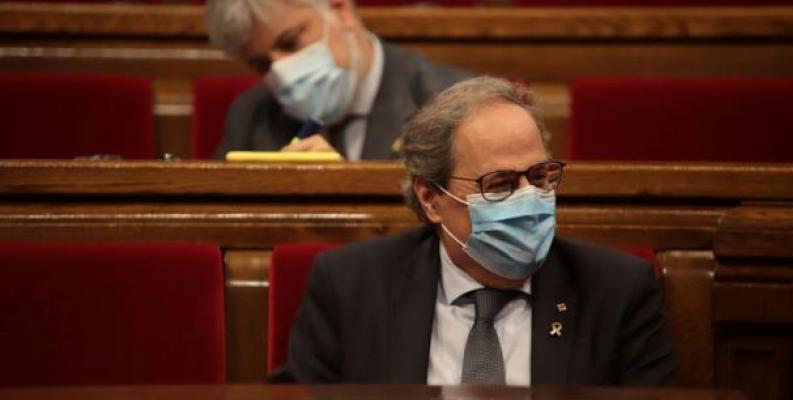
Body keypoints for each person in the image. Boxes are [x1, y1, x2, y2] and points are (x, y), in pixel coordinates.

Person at [284, 76, 679, 385]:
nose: (530, 199)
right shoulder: (350, 286)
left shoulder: (617, 291)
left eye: (540, 176)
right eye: (500, 185)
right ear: (430, 199)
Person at [205, 0, 472, 160]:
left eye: (291, 42)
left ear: (340, 9)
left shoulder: (450, 104)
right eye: (263, 64)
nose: (282, 72)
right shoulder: (251, 116)